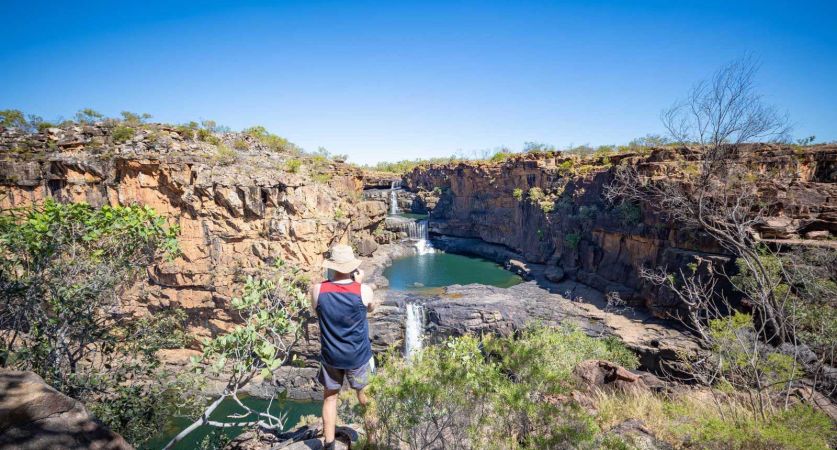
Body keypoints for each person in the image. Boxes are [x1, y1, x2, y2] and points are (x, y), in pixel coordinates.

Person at [310, 244, 376, 449]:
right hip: (358, 356)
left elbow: (316, 312)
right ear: (352, 267)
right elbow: (370, 308)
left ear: (332, 266)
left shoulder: (317, 290)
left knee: (330, 398)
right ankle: (373, 442)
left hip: (331, 357)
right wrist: (360, 283)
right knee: (365, 397)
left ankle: (329, 444)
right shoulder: (363, 291)